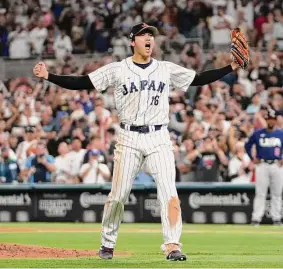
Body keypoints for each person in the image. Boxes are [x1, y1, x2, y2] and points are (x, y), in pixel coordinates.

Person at [33, 22, 240, 261]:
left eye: (151, 35)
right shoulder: (118, 69)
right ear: (133, 41)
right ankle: (107, 243)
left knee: (169, 192)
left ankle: (173, 245)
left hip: (159, 136)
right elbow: (82, 82)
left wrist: (231, 66)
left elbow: (200, 78)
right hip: (128, 137)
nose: (149, 38)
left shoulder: (165, 68)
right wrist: (48, 76)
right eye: (143, 35)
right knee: (118, 195)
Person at [245, 109, 283, 226]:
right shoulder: (258, 133)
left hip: (277, 165)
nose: (271, 121)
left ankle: (277, 218)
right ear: (266, 120)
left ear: (276, 121)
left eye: (273, 119)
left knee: (277, 193)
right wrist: (252, 158)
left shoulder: (281, 133)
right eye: (268, 119)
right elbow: (247, 145)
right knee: (260, 193)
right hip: (262, 164)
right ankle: (256, 218)